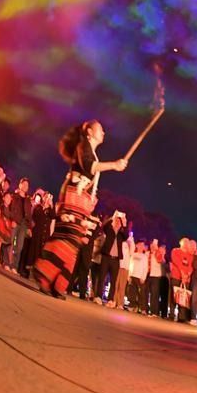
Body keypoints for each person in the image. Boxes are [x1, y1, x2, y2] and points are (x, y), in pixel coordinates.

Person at [33, 120, 127, 297]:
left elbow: (91, 177)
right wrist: (114, 165)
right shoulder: (83, 146)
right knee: (68, 238)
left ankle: (59, 284)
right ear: (90, 132)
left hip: (81, 200)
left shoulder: (92, 152)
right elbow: (89, 166)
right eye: (101, 129)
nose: (104, 133)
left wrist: (91, 200)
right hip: (73, 196)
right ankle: (45, 275)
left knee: (74, 242)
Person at [97, 212, 129, 307]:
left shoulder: (121, 233)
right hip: (106, 257)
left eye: (119, 221)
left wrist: (124, 224)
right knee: (102, 278)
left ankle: (110, 299)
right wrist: (113, 217)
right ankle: (98, 297)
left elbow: (126, 236)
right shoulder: (109, 229)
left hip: (116, 260)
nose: (118, 222)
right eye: (117, 220)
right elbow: (104, 226)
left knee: (113, 281)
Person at [170, 238, 193, 322]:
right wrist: (182, 272)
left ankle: (181, 316)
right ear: (181, 243)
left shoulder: (190, 255)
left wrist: (187, 275)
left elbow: (191, 266)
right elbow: (176, 261)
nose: (186, 244)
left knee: (183, 297)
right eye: (184, 242)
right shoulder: (175, 251)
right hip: (176, 276)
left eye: (187, 242)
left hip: (185, 279)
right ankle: (171, 314)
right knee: (173, 296)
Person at [127, 240, 149, 314]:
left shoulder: (144, 256)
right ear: (137, 245)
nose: (141, 247)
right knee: (132, 292)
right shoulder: (133, 255)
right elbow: (130, 265)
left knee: (141, 293)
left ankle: (142, 308)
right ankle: (132, 306)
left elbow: (145, 268)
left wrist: (143, 277)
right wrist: (129, 275)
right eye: (140, 245)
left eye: (143, 245)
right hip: (132, 275)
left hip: (140, 277)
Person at [146, 240, 165, 317]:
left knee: (154, 294)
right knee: (146, 293)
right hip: (148, 275)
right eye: (151, 246)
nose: (152, 247)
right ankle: (146, 309)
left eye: (154, 246)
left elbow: (161, 261)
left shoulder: (158, 254)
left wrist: (158, 252)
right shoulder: (148, 253)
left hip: (156, 276)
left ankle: (154, 312)